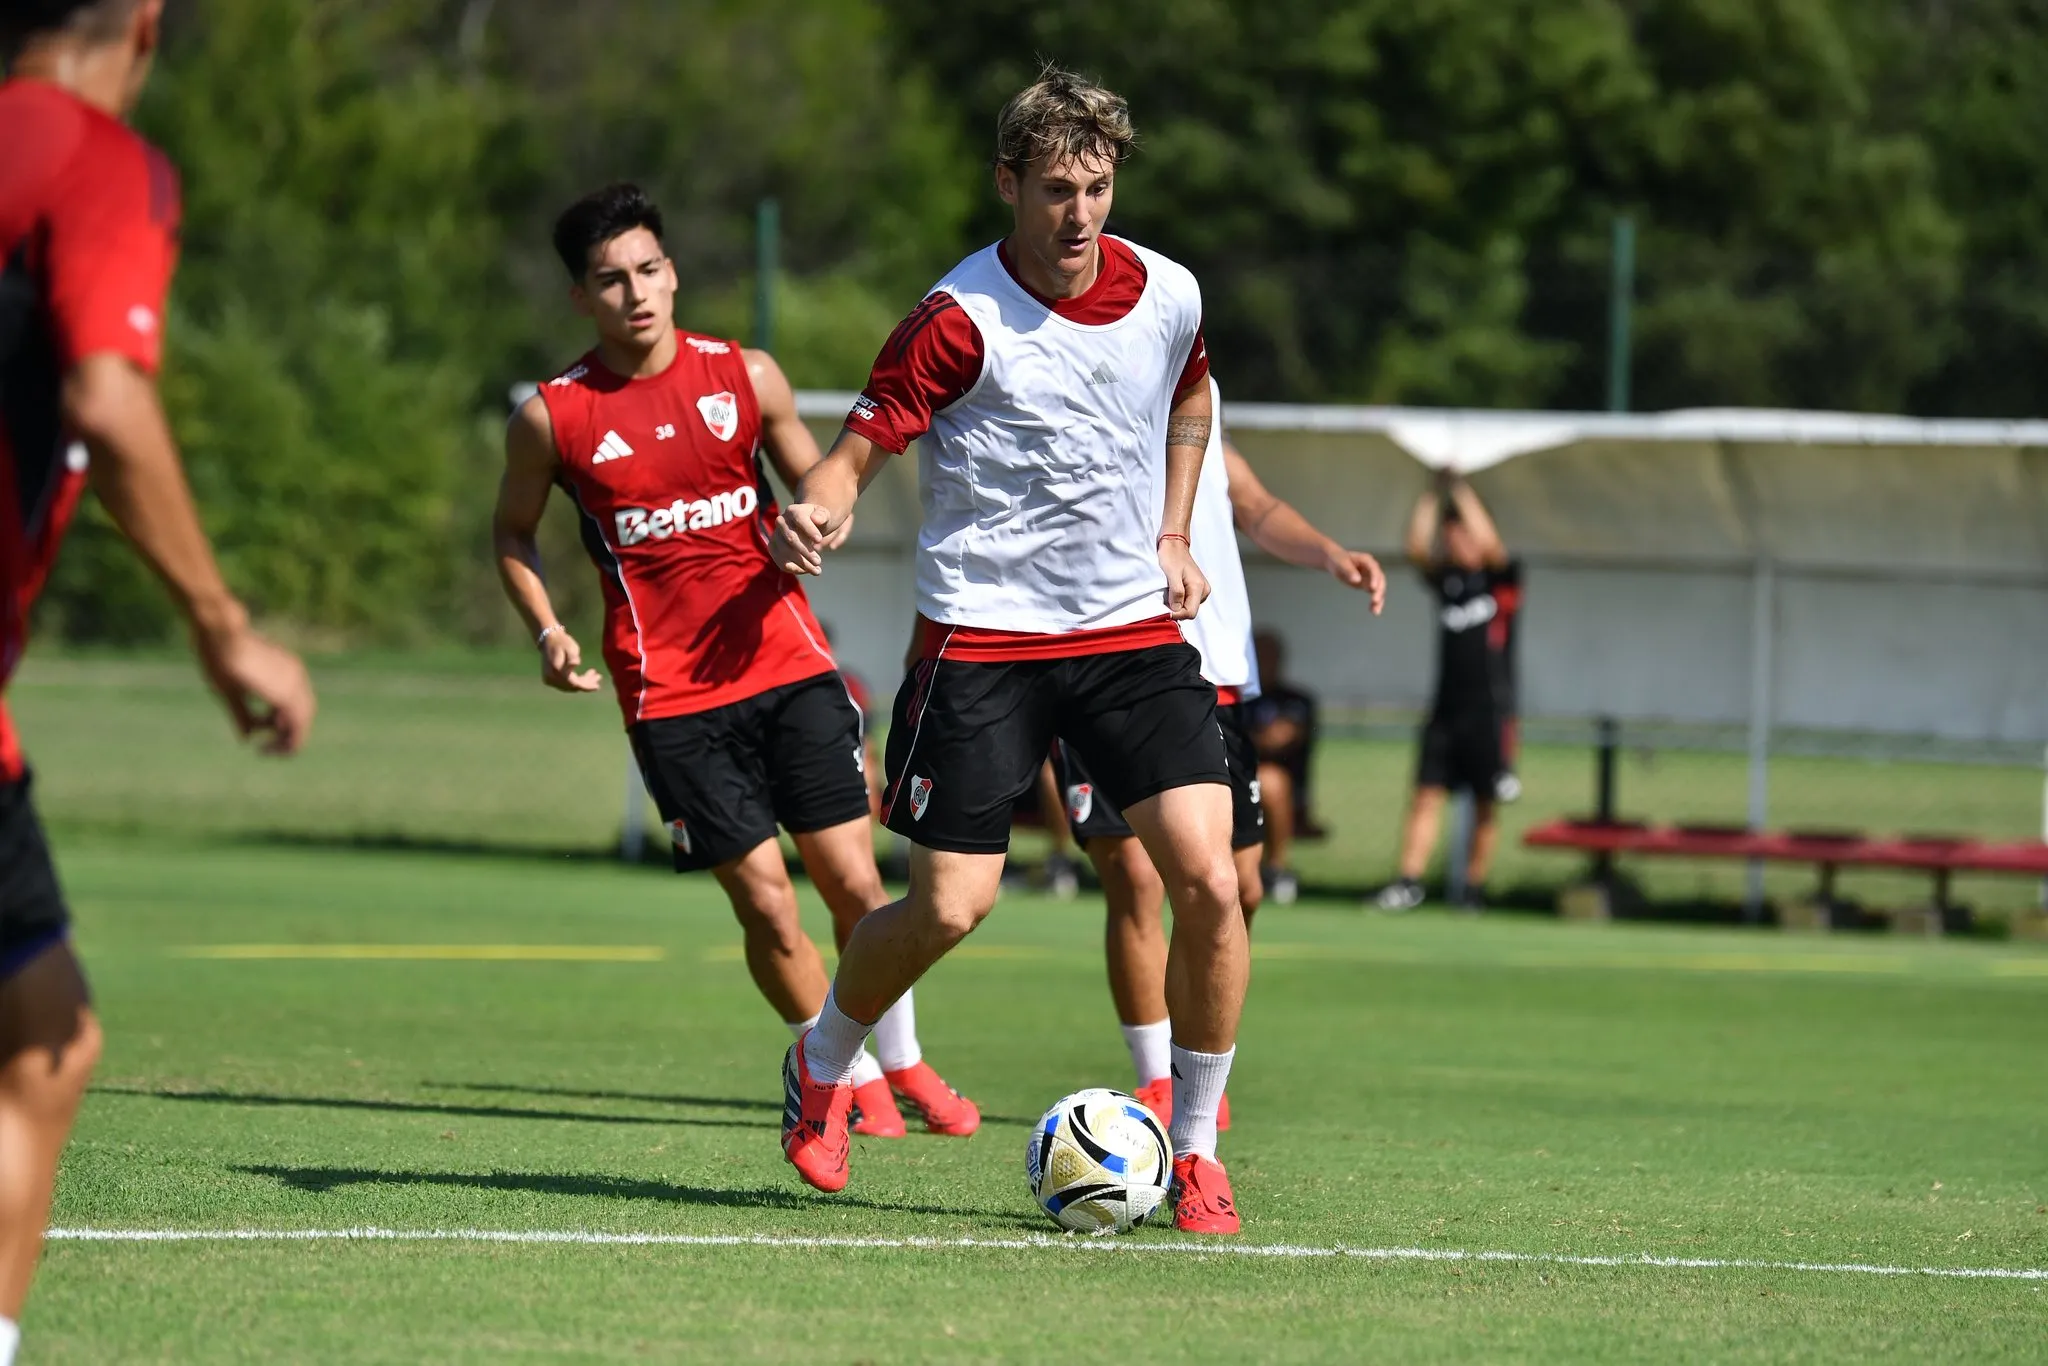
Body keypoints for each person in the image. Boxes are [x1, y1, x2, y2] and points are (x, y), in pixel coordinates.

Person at [768, 66, 1249, 1234]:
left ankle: (1193, 1148)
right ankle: (822, 1062)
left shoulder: (1168, 292)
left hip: (1129, 634)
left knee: (1209, 880)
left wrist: (1174, 529)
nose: (1078, 214)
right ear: (1006, 185)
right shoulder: (957, 319)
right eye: (1053, 190)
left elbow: (1190, 397)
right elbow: (857, 448)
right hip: (982, 640)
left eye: (1096, 186)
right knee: (949, 906)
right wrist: (817, 506)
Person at [493, 183, 976, 1143]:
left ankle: (904, 1061)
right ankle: (839, 1076)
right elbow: (512, 532)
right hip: (670, 698)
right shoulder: (554, 416)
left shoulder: (744, 375)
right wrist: (545, 627)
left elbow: (824, 486)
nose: (636, 292)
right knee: (765, 902)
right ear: (581, 297)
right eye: (610, 280)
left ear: (672, 273)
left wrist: (814, 524)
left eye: (648, 270)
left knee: (854, 885)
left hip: (790, 668)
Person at [0, 3, 319, 1356]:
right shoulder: (94, 160)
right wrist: (221, 625)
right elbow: (108, 399)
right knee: (45, 1041)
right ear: (140, 19)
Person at [1053, 405, 1384, 1124]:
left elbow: (1255, 506)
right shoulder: (1081, 386)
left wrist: (1329, 553)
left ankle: (1197, 1048)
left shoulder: (1197, 392)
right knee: (1136, 877)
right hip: (1108, 669)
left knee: (1240, 888)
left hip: (1218, 678)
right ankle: (1160, 1079)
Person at [1371, 471, 1521, 912]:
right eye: (1451, 535)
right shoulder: (1449, 583)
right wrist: (1432, 494)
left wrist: (1459, 488)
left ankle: (1472, 889)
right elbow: (1416, 547)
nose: (1457, 542)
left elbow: (1491, 545)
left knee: (1485, 803)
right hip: (1445, 711)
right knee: (1426, 794)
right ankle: (1409, 882)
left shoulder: (1503, 578)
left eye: (1463, 534)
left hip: (1490, 713)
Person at [1244, 629, 1323, 906]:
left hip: (1287, 795)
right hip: (1231, 780)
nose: (1264, 661)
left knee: (1270, 780)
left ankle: (1276, 870)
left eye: (1270, 656)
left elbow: (1279, 738)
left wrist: (1239, 738)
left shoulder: (1296, 700)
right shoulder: (1233, 696)